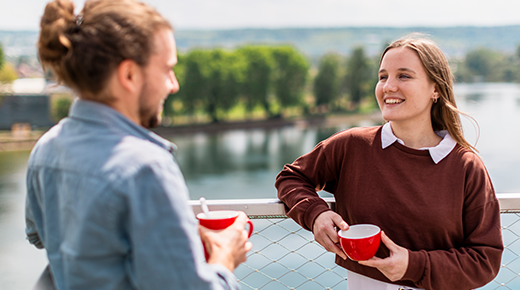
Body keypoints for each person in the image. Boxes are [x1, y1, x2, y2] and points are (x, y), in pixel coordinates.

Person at [25, 0, 252, 289]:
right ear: (129, 75)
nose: (174, 84)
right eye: (167, 69)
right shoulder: (146, 167)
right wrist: (225, 257)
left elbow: (40, 235)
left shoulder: (45, 149)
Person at [275, 35, 503, 290]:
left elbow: (485, 260)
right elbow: (291, 178)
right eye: (383, 76)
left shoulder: (465, 167)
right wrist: (316, 214)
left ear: (435, 89)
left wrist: (413, 265)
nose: (388, 86)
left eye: (403, 76)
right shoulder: (352, 146)